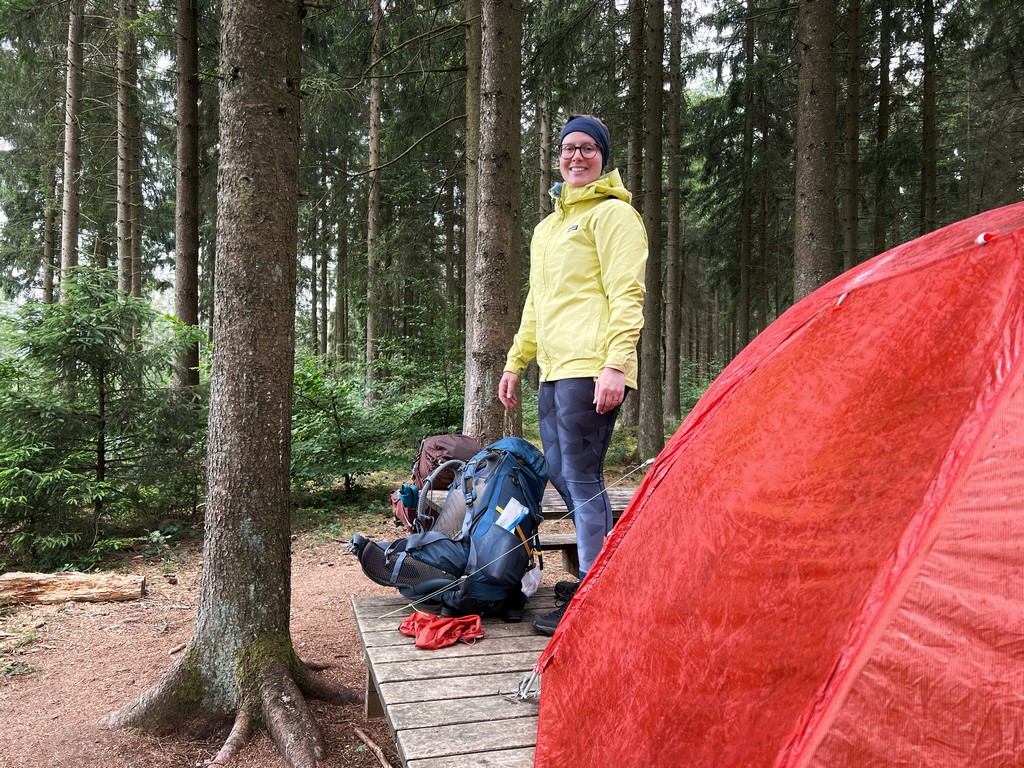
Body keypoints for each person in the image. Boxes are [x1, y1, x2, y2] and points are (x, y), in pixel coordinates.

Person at [498, 114, 647, 636]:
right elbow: (537, 302)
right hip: (553, 370)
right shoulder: (548, 227)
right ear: (558, 156)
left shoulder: (615, 217)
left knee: (581, 480)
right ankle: (597, 574)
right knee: (563, 476)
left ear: (603, 156)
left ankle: (591, 596)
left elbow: (627, 296)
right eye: (568, 148)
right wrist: (517, 360)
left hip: (593, 368)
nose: (576, 156)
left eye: (587, 148)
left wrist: (615, 364)